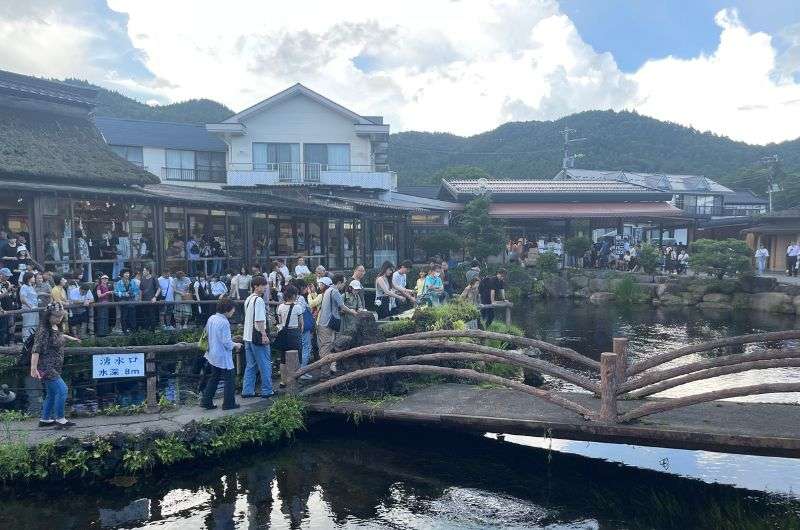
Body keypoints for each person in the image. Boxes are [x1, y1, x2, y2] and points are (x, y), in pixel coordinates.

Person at [30, 303, 81, 428]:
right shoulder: (43, 330)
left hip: (55, 366)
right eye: (56, 316)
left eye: (60, 317)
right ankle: (60, 418)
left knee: (51, 394)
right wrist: (33, 368)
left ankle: (45, 419)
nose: (58, 319)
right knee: (63, 390)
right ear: (48, 316)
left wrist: (70, 338)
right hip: (47, 367)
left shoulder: (55, 327)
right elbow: (36, 349)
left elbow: (58, 335)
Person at [200, 298, 242, 410]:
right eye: (233, 309)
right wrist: (236, 345)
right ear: (227, 309)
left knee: (214, 377)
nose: (233, 312)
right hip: (222, 355)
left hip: (212, 353)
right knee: (230, 379)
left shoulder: (212, 318)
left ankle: (206, 401)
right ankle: (228, 403)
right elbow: (226, 343)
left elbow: (207, 334)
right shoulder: (224, 322)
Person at [317, 274, 358, 375]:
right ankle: (324, 374)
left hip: (323, 323)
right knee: (326, 348)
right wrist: (353, 312)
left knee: (325, 347)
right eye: (343, 283)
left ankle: (327, 371)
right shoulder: (334, 291)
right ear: (339, 282)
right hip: (326, 324)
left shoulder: (328, 290)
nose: (344, 285)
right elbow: (342, 307)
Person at [242, 276, 273, 398]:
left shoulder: (248, 299)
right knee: (265, 364)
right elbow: (259, 320)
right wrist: (264, 335)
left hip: (248, 337)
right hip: (257, 337)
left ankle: (247, 390)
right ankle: (267, 390)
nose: (265, 287)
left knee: (251, 365)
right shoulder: (259, 300)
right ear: (256, 286)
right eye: (263, 285)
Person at [275, 284, 304, 372]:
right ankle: (295, 378)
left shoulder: (280, 307)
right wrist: (300, 333)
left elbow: (280, 321)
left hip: (284, 332)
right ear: (294, 295)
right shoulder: (297, 307)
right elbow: (301, 323)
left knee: (283, 358)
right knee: (297, 357)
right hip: (295, 333)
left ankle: (283, 381)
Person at [114, 269, 140, 334]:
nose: (127, 274)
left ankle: (133, 331)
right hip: (123, 301)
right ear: (122, 274)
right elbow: (116, 292)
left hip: (131, 301)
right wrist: (124, 294)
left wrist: (133, 294)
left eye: (128, 273)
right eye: (126, 273)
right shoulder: (119, 282)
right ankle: (125, 331)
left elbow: (137, 290)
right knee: (124, 317)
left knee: (132, 317)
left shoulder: (132, 282)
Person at [20, 271, 39, 339]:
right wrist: (30, 306)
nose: (34, 278)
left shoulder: (31, 287)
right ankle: (26, 340)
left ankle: (32, 340)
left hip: (35, 309)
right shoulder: (24, 287)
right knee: (28, 325)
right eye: (33, 277)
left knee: (34, 325)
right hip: (28, 309)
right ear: (28, 278)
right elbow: (22, 299)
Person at [0, 268, 15, 345]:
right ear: (1, 275)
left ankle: (10, 342)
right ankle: (2, 345)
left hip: (10, 307)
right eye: (6, 276)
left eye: (8, 276)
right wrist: (8, 290)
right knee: (3, 327)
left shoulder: (8, 283)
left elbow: (11, 295)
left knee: (11, 325)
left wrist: (13, 291)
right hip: (2, 308)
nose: (8, 277)